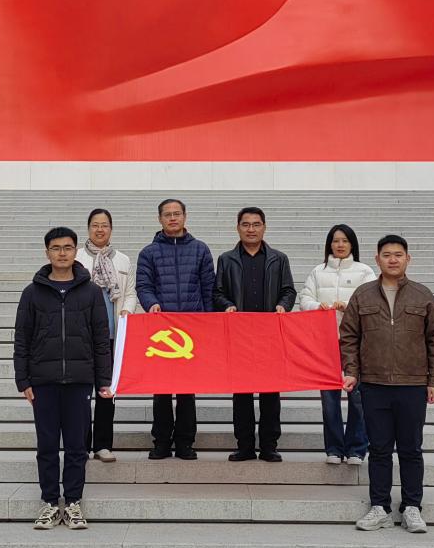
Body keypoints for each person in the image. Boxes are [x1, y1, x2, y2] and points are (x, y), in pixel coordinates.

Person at [340, 234, 434, 534]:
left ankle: (412, 507)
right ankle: (380, 507)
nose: (393, 259)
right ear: (377, 259)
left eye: (398, 254)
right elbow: (349, 336)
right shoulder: (363, 295)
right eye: (387, 255)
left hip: (412, 384)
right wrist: (351, 371)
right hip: (374, 384)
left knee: (411, 449)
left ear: (407, 259)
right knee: (379, 449)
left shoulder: (422, 295)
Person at [14, 227, 113, 530]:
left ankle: (72, 503)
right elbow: (22, 339)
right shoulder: (32, 293)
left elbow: (100, 339)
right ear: (47, 252)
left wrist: (104, 379)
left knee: (76, 446)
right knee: (46, 445)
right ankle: (49, 502)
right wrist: (23, 380)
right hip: (43, 381)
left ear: (75, 251)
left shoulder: (91, 292)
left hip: (79, 381)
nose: (62, 253)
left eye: (67, 247)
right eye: (56, 248)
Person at [214, 206, 296, 462]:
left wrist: (283, 305)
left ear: (264, 227)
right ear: (237, 228)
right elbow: (217, 292)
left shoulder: (278, 259)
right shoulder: (226, 259)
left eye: (256, 224)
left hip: (270, 336)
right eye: (246, 224)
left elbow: (289, 290)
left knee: (271, 393)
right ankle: (245, 446)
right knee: (242, 394)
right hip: (239, 337)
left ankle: (269, 446)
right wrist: (227, 305)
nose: (251, 229)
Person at [136, 198, 215, 460]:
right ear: (159, 219)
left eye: (177, 213)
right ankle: (161, 441)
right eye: (167, 214)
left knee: (187, 390)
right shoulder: (148, 253)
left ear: (185, 217)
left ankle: (185, 442)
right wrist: (151, 304)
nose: (172, 218)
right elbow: (143, 286)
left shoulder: (200, 250)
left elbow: (208, 288)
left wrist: (207, 322)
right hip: (162, 331)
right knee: (161, 389)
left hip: (192, 330)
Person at [299, 224, 377, 465]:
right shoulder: (318, 271)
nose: (340, 245)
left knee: (358, 397)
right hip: (326, 341)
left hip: (357, 342)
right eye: (335, 241)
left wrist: (348, 305)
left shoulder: (364, 271)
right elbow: (304, 298)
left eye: (344, 240)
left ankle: (356, 449)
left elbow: (373, 302)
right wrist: (317, 306)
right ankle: (333, 448)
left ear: (352, 243)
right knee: (329, 398)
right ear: (329, 244)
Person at [75, 208, 139, 463]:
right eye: (95, 225)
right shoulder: (76, 258)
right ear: (88, 228)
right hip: (81, 337)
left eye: (104, 225)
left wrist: (126, 310)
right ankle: (80, 445)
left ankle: (102, 445)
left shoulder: (122, 260)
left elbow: (130, 292)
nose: (100, 229)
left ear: (111, 229)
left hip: (110, 336)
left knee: (106, 393)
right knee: (80, 395)